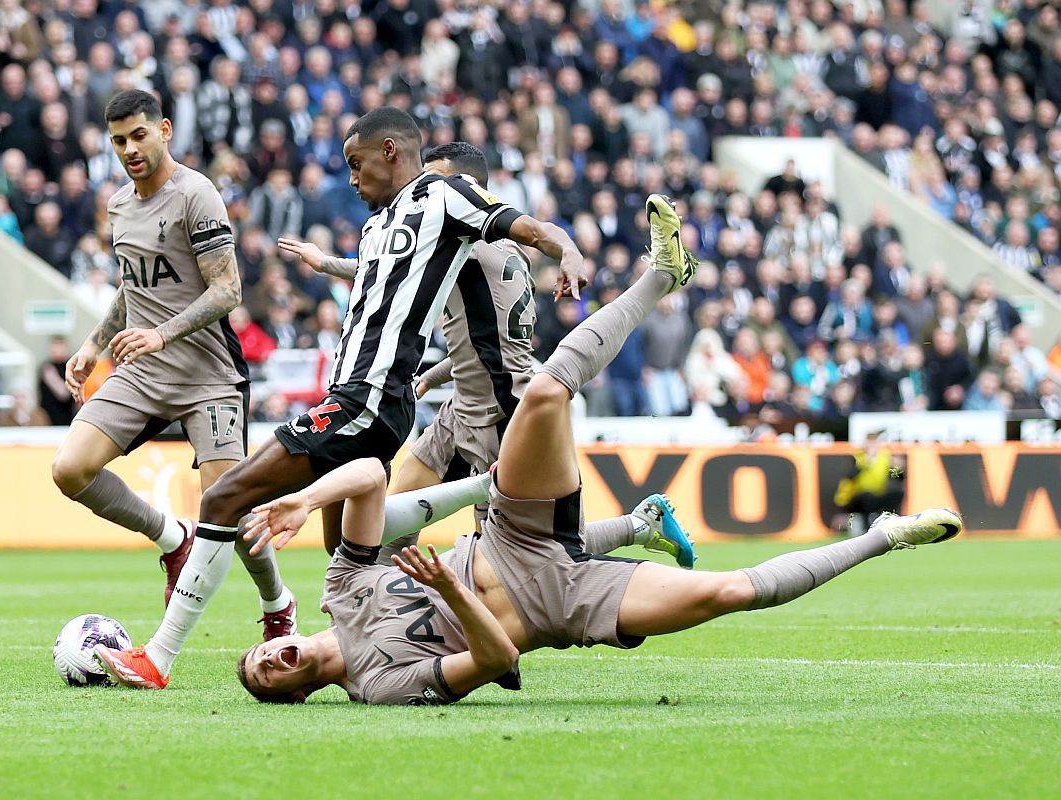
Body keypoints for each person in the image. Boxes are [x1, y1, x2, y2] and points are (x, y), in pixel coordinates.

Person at [189, 195, 954, 706]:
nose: (272, 662)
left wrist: (304, 498)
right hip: (555, 604)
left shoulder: (341, 592)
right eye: (270, 678)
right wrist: (451, 593)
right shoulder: (377, 685)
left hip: (513, 533)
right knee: (731, 593)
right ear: (296, 693)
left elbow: (364, 475)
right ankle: (888, 536)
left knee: (550, 393)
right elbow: (491, 663)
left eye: (260, 657)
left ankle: (661, 274)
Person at [92, 106, 586, 688]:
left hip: (369, 397)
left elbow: (528, 228)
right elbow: (383, 283)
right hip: (359, 395)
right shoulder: (378, 225)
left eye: (356, 165)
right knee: (350, 553)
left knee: (223, 499)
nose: (350, 179)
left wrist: (568, 251)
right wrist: (326, 263)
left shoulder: (446, 196)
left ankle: (159, 657)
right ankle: (443, 591)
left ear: (391, 153)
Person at [279, 142, 660, 561]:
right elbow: (482, 337)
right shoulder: (501, 247)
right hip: (465, 400)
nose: (423, 190)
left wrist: (327, 263)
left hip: (497, 406)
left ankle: (638, 525)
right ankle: (374, 603)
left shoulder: (463, 242)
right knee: (393, 516)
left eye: (436, 180)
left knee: (527, 552)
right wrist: (435, 375)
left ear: (469, 187)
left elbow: (391, 269)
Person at [50, 90, 294, 637]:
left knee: (228, 504)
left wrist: (160, 334)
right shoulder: (117, 206)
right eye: (118, 141)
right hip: (142, 370)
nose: (130, 150)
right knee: (69, 469)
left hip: (208, 376)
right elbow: (133, 285)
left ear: (163, 129)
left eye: (139, 135)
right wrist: (93, 344)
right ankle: (173, 540)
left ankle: (278, 603)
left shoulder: (197, 194)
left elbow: (228, 290)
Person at [833, 430, 907, 536]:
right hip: (856, 497)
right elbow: (850, 477)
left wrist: (898, 468)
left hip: (877, 494)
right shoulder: (857, 457)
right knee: (867, 496)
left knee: (898, 493)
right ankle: (867, 529)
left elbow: (898, 477)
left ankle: (894, 523)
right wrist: (864, 464)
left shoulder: (885, 457)